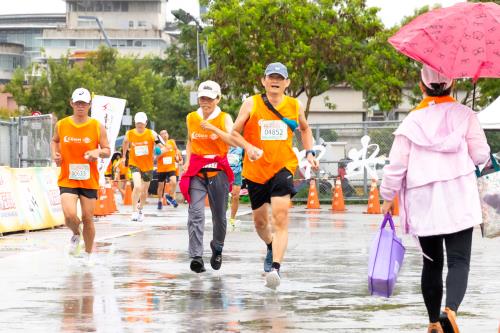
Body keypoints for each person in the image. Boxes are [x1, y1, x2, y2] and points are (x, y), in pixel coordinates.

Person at [380, 65, 490, 333]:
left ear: (421, 86)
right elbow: (481, 156)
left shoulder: (411, 122)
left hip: (423, 202)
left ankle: (432, 322)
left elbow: (396, 165)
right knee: (459, 261)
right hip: (459, 199)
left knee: (431, 263)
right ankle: (450, 311)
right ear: (452, 84)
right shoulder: (465, 116)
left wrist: (386, 196)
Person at [230, 62, 319, 289]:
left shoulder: (294, 104)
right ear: (264, 81)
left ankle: (276, 268)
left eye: (280, 77)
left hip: (283, 167)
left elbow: (305, 129)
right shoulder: (251, 103)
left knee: (280, 218)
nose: (275, 81)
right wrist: (248, 148)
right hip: (256, 171)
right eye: (271, 77)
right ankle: (270, 245)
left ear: (287, 83)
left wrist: (309, 152)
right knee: (260, 223)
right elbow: (234, 133)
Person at [179, 80, 234, 273]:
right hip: (197, 171)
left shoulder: (224, 118)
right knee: (196, 212)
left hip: (218, 171)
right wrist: (187, 160)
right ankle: (196, 256)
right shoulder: (191, 117)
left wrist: (214, 130)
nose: (206, 102)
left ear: (218, 99)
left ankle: (217, 247)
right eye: (203, 98)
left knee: (219, 216)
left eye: (210, 99)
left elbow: (233, 140)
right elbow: (190, 141)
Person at [50, 87, 110, 262]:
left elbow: (107, 150)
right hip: (68, 177)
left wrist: (96, 153)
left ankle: (88, 255)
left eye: (84, 103)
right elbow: (55, 141)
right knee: (69, 215)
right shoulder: (61, 124)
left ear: (89, 105)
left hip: (88, 179)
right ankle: (76, 233)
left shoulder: (97, 126)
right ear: (71, 103)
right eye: (77, 103)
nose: (80, 106)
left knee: (87, 218)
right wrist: (55, 154)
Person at [122, 112, 165, 222]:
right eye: (137, 123)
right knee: (137, 187)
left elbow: (162, 146)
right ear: (135, 123)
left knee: (144, 191)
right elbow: (125, 143)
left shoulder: (152, 134)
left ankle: (140, 208)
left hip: (147, 166)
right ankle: (134, 211)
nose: (139, 125)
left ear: (146, 123)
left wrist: (159, 151)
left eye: (141, 123)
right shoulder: (130, 133)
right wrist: (123, 156)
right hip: (134, 163)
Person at [156, 129, 182, 209]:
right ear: (160, 136)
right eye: (162, 133)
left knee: (174, 182)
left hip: (171, 167)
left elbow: (176, 150)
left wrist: (177, 156)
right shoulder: (157, 146)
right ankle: (160, 201)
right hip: (162, 168)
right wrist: (163, 151)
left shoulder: (171, 142)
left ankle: (169, 196)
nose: (164, 135)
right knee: (161, 187)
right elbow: (157, 157)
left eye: (166, 133)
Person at [227, 145, 244, 227]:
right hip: (224, 173)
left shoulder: (240, 145)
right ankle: (221, 217)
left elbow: (246, 158)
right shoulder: (222, 144)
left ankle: (232, 219)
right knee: (223, 197)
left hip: (237, 173)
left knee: (236, 196)